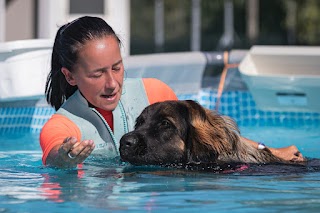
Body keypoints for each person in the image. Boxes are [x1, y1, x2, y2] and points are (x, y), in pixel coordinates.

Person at [40, 16, 305, 169]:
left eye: (117, 68)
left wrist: (269, 151)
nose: (112, 83)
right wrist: (63, 158)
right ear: (70, 76)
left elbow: (208, 134)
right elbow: (54, 155)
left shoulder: (153, 91)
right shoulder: (63, 124)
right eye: (97, 74)